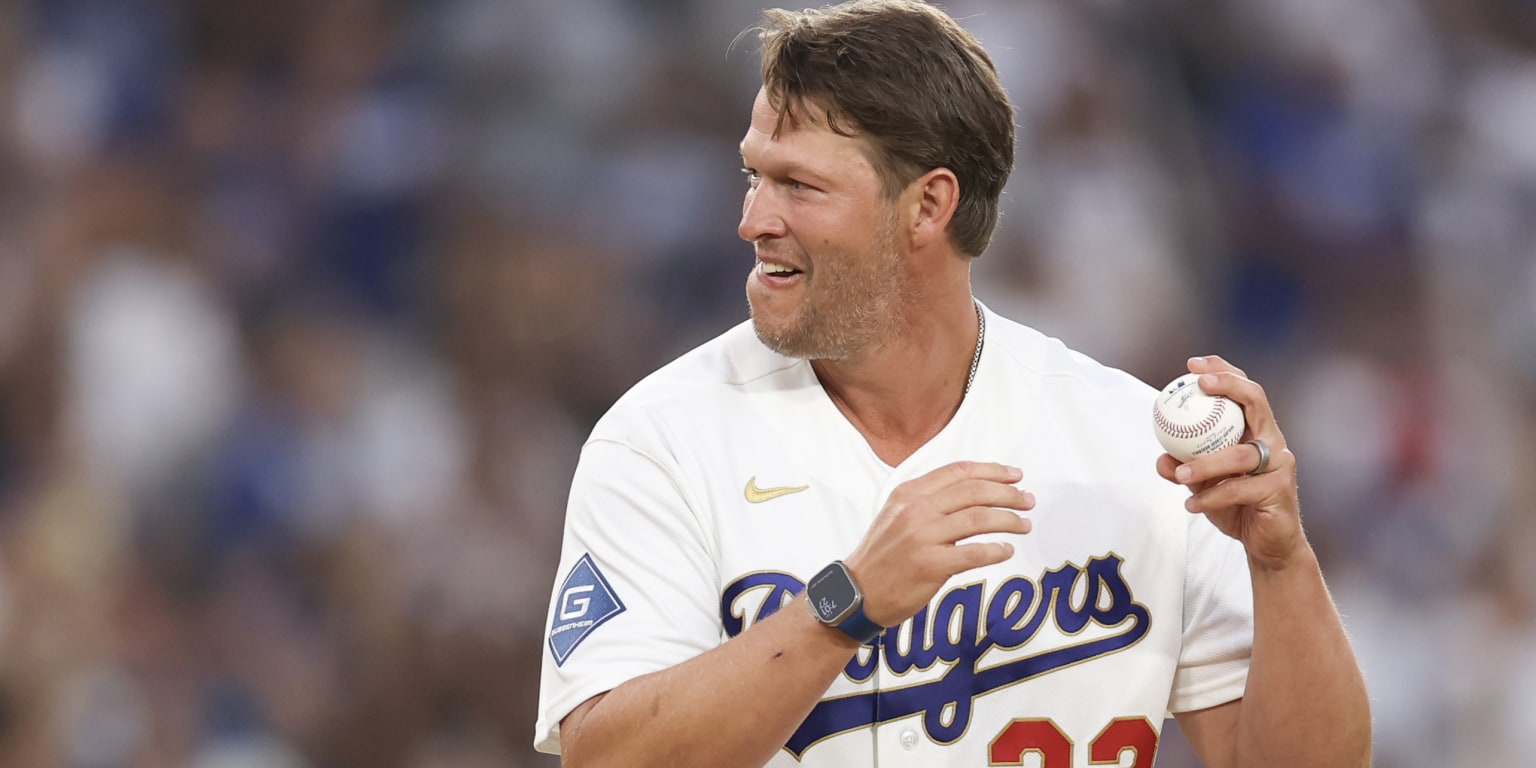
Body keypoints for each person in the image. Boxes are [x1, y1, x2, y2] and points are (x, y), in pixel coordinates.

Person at [534, 1, 1371, 765]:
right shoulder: (664, 440)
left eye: (799, 184)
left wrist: (1283, 564)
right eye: (756, 175)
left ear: (928, 206)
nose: (754, 219)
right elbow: (603, 758)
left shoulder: (1125, 445)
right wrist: (846, 606)